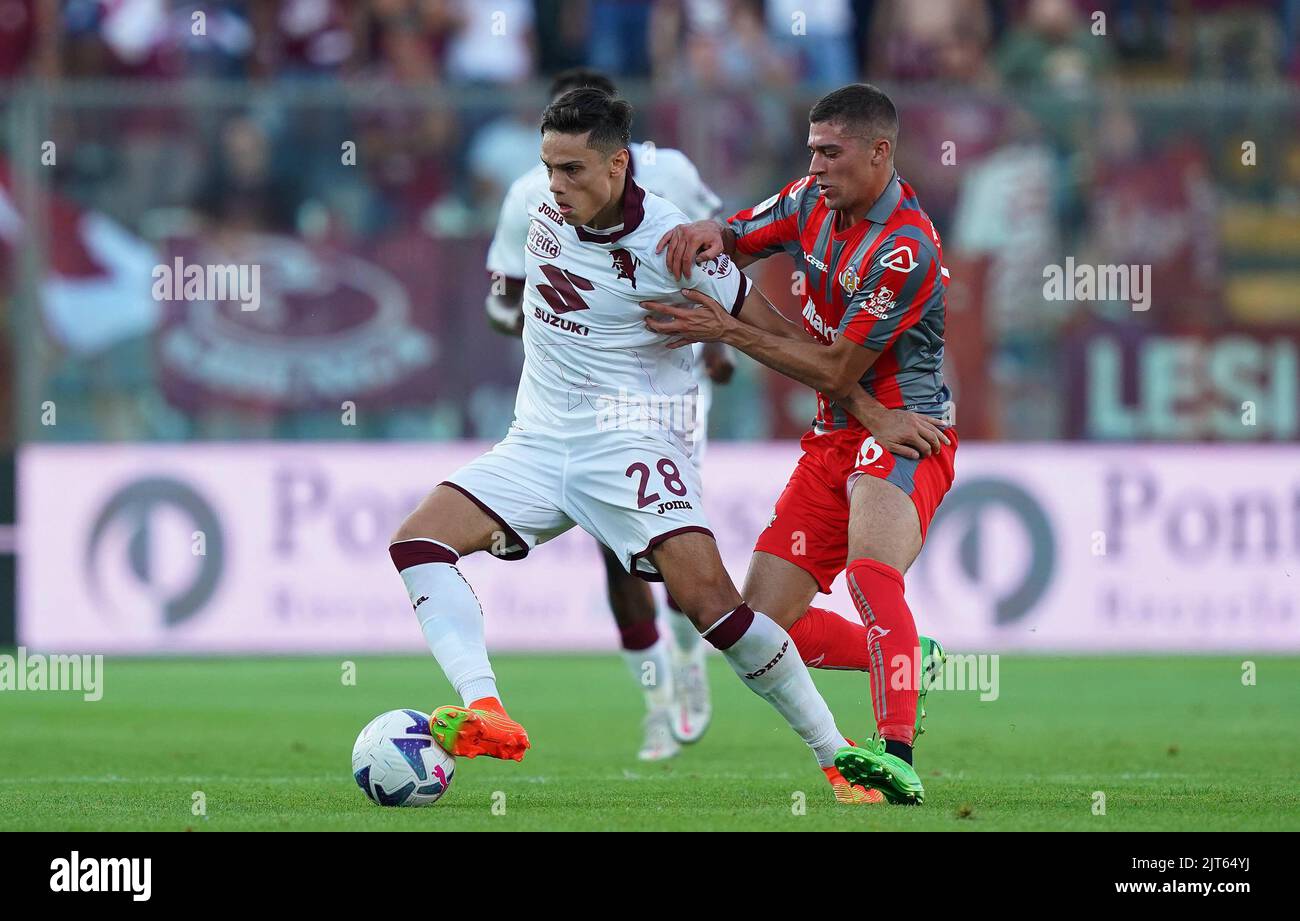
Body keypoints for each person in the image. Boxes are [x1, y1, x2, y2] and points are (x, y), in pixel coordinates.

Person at [391, 88, 881, 804]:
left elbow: (779, 335)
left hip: (631, 443)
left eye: (573, 171)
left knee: (715, 607)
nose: (556, 185)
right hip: (536, 440)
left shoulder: (674, 244)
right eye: (549, 167)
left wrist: (861, 405)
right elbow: (509, 300)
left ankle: (837, 757)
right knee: (418, 543)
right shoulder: (538, 210)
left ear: (618, 164)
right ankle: (485, 706)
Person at [649, 83, 957, 804]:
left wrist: (725, 329)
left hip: (903, 429)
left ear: (880, 152)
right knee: (759, 623)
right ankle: (910, 655)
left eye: (830, 151)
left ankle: (898, 754)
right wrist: (709, 234)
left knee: (871, 578)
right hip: (833, 438)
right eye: (810, 150)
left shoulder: (904, 249)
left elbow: (831, 368)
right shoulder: (805, 201)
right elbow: (738, 232)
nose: (814, 164)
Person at [484, 68, 732, 761]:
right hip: (579, 402)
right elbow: (501, 296)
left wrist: (717, 343)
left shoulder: (672, 175)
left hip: (671, 395)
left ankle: (688, 655)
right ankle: (657, 703)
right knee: (618, 553)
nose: (558, 173)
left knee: (673, 549)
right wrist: (548, 322)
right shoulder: (528, 197)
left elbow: (717, 252)